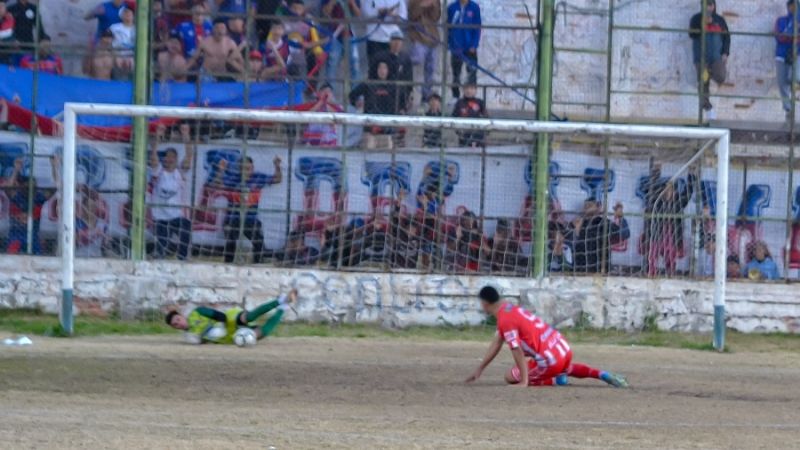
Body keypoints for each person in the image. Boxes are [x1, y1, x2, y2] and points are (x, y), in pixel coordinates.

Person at [465, 286, 629, 388]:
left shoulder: (505, 320)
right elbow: (497, 343)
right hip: (562, 347)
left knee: (510, 377)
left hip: (550, 359)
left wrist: (524, 381)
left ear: (485, 303)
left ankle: (556, 381)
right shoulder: (509, 308)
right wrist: (480, 369)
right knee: (563, 367)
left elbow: (516, 350)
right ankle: (602, 374)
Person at [166, 289, 298, 344]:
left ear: (181, 315)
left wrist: (221, 326)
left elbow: (218, 315)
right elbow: (202, 341)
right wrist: (207, 336)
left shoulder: (197, 312)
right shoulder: (190, 337)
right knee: (261, 333)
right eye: (175, 325)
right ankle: (283, 307)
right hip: (231, 337)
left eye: (178, 319)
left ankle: (280, 300)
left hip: (229, 319)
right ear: (175, 328)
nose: (179, 323)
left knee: (248, 317)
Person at [217, 155, 283, 264]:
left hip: (250, 219)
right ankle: (227, 264)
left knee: (259, 242)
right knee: (230, 240)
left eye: (249, 168)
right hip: (233, 218)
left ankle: (257, 265)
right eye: (243, 169)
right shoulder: (233, 179)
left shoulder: (258, 178)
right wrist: (221, 170)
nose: (246, 172)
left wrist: (277, 166)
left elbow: (278, 179)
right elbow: (219, 184)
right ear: (239, 169)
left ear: (252, 168)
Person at [149, 123, 195, 261]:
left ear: (176, 159)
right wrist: (158, 135)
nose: (169, 159)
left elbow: (189, 155)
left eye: (172, 157)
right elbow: (153, 155)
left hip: (176, 216)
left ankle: (182, 257)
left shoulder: (180, 173)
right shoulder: (158, 172)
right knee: (162, 246)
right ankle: (159, 254)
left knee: (186, 227)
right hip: (160, 217)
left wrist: (185, 134)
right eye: (167, 157)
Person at [641, 167, 696, 277]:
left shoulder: (678, 203)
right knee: (652, 255)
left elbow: (688, 192)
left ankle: (670, 274)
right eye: (665, 189)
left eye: (670, 189)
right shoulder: (656, 202)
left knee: (670, 256)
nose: (667, 192)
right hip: (657, 233)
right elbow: (651, 190)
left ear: (674, 191)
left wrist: (691, 175)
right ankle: (651, 274)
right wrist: (656, 172)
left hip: (671, 234)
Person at [3, 158, 54, 255]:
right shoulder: (16, 196)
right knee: (11, 257)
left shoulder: (39, 197)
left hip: (33, 238)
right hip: (16, 236)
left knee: (37, 260)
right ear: (21, 186)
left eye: (33, 186)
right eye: (28, 186)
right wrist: (16, 170)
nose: (31, 188)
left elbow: (55, 187)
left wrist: (54, 167)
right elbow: (8, 187)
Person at [688, 0, 729, 119]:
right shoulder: (696, 19)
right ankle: (708, 109)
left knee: (721, 76)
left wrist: (725, 52)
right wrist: (702, 24)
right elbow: (692, 35)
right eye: (706, 5)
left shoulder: (720, 20)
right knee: (703, 84)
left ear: (714, 6)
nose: (708, 7)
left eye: (710, 5)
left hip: (715, 58)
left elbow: (726, 37)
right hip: (701, 59)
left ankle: (708, 73)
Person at [569, 200, 630, 274]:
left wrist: (620, 217)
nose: (587, 207)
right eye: (585, 206)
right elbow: (566, 243)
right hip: (580, 268)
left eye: (590, 205)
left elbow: (625, 234)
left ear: (598, 208)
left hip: (600, 269)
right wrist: (576, 231)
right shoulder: (577, 223)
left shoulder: (604, 223)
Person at [281, 0, 327, 81]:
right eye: (294, 8)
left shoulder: (307, 24)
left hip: (301, 57)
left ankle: (309, 86)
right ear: (289, 9)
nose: (296, 11)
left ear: (303, 11)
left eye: (299, 9)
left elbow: (317, 38)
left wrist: (313, 46)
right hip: (285, 55)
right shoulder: (283, 22)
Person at [349, 61, 400, 133]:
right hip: (371, 121)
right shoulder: (368, 84)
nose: (382, 71)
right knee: (370, 140)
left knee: (389, 140)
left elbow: (401, 101)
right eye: (380, 68)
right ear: (376, 69)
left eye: (384, 68)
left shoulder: (393, 85)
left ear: (388, 70)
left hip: (387, 121)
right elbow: (352, 95)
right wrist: (356, 103)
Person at [322, 0, 361, 90]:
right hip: (334, 34)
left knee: (353, 63)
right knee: (332, 62)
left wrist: (352, 3)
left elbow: (358, 15)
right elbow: (325, 12)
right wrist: (332, 2)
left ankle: (355, 93)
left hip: (349, 34)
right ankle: (330, 92)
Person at [372, 32, 414, 112]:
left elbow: (409, 78)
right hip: (382, 93)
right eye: (394, 40)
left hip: (400, 94)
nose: (397, 43)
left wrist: (410, 95)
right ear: (390, 42)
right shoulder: (380, 57)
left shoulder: (405, 58)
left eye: (399, 40)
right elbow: (372, 75)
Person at [447, 0, 480, 99]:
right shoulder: (452, 7)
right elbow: (448, 28)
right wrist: (451, 44)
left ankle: (471, 97)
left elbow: (477, 28)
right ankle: (455, 96)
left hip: (470, 47)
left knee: (471, 73)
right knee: (456, 73)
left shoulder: (474, 7)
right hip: (456, 47)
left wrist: (474, 44)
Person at [408, 0, 440, 101]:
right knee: (416, 60)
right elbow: (411, 16)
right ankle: (409, 91)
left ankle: (426, 95)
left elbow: (436, 17)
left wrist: (433, 6)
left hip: (432, 37)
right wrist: (422, 6)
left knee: (431, 68)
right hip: (418, 36)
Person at [361, 0, 407, 70]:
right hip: (374, 38)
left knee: (393, 68)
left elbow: (403, 17)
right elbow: (365, 14)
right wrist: (378, 12)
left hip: (393, 38)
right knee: (374, 67)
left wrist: (394, 15)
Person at [775, 0, 800, 118]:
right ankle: (788, 109)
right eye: (791, 5)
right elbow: (779, 37)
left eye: (795, 6)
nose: (793, 8)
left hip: (796, 54)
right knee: (782, 82)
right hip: (781, 55)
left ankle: (795, 98)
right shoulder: (781, 21)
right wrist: (792, 35)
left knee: (794, 77)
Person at [303, 82, 343, 146]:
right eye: (324, 91)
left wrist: (328, 103)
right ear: (319, 93)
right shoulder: (313, 103)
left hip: (328, 138)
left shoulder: (337, 106)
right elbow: (308, 114)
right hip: (313, 136)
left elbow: (334, 119)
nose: (326, 93)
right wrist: (321, 102)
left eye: (329, 92)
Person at [452, 82, 487, 146]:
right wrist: (459, 131)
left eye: (471, 88)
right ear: (463, 90)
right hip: (464, 136)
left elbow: (486, 118)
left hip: (478, 135)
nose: (469, 90)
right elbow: (454, 118)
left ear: (476, 90)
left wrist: (483, 133)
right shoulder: (459, 102)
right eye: (466, 88)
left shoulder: (480, 102)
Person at [110, 3, 136, 79]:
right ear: (121, 15)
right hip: (117, 55)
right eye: (125, 13)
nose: (128, 15)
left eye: (129, 13)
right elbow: (106, 40)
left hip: (132, 57)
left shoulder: (137, 29)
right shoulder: (114, 27)